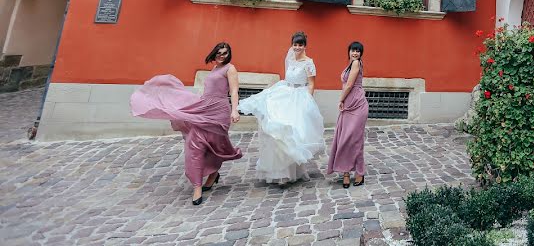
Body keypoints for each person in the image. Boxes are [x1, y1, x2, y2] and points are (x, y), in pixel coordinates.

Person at [130, 42, 242, 205]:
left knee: (217, 146)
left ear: (229, 55)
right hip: (204, 108)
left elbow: (233, 91)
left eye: (224, 53)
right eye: (218, 53)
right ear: (214, 54)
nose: (221, 56)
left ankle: (212, 174)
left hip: (219, 112)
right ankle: (197, 185)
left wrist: (235, 110)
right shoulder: (215, 69)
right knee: (195, 145)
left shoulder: (230, 69)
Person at [237, 31, 325, 184]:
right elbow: (287, 78)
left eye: (300, 45)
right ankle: (279, 172)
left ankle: (293, 171)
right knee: (276, 131)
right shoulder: (290, 60)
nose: (297, 47)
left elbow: (311, 84)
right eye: (295, 44)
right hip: (285, 94)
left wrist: (307, 104)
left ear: (305, 46)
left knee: (292, 134)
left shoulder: (309, 63)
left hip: (300, 98)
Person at [326, 41, 369, 188]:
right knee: (343, 138)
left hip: (357, 105)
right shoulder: (349, 66)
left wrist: (340, 99)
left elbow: (349, 85)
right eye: (353, 50)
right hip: (348, 105)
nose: (355, 53)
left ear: (360, 54)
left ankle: (359, 172)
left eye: (358, 51)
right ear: (349, 51)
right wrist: (344, 101)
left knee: (354, 140)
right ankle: (345, 173)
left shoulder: (356, 63)